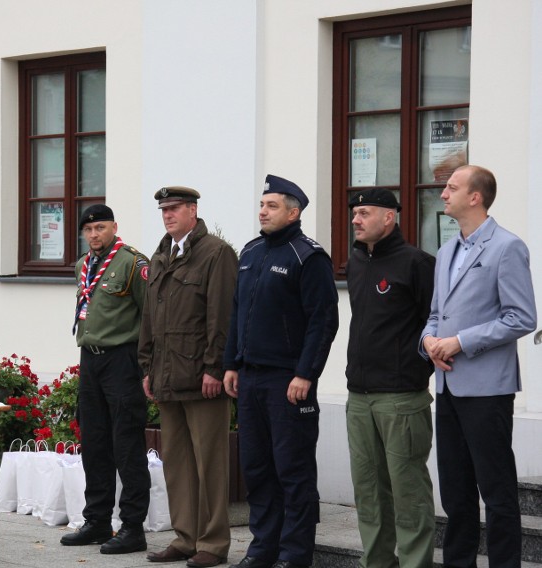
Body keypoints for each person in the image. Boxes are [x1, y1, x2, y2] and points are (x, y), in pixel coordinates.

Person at [419, 165, 536, 568]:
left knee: (498, 492)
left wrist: (461, 342)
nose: (443, 193)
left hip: (487, 390)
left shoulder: (507, 247)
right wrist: (430, 341)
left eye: (452, 187)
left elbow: (522, 317)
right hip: (447, 387)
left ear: (475, 197)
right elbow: (436, 314)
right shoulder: (448, 249)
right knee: (455, 493)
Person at [223, 175, 339, 568]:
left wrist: (306, 373)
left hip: (288, 381)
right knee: (257, 468)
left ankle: (294, 554)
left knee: (293, 470)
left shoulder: (308, 256)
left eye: (271, 206)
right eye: (261, 204)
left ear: (294, 211)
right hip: (251, 378)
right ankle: (263, 547)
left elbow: (323, 322)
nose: (262, 211)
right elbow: (237, 312)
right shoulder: (252, 252)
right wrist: (232, 363)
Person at [138, 186, 238, 568]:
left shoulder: (215, 253)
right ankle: (185, 537)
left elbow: (221, 316)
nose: (168, 215)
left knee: (210, 463)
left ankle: (212, 544)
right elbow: (149, 316)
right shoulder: (162, 255)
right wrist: (146, 366)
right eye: (164, 209)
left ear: (193, 210)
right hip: (167, 374)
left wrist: (216, 367)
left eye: (175, 208)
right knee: (177, 462)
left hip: (200, 377)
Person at [346, 188, 436, 567]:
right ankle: (378, 562)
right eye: (354, 212)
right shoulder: (355, 261)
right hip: (359, 397)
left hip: (400, 398)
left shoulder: (416, 263)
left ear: (389, 217)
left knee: (408, 492)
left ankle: (416, 562)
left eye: (364, 213)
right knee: (369, 492)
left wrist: (416, 369)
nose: (355, 219)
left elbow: (435, 323)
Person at [61, 204, 151, 555]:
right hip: (91, 360)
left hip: (122, 361)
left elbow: (149, 317)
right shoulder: (84, 265)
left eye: (100, 228)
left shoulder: (133, 263)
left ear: (114, 227)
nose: (94, 235)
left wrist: (146, 365)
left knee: (126, 444)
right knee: (95, 443)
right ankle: (97, 520)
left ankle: (132, 526)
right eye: (89, 230)